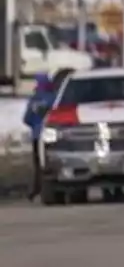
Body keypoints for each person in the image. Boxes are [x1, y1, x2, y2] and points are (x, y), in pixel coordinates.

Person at [23, 71, 62, 201]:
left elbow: (26, 118)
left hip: (36, 136)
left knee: (38, 164)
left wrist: (35, 125)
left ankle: (36, 188)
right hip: (51, 135)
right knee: (52, 162)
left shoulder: (34, 99)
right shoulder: (54, 98)